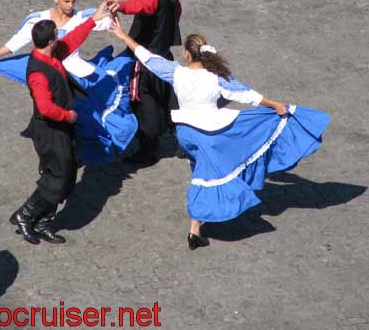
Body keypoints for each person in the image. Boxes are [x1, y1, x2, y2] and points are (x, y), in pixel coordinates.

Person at [109, 21, 330, 250]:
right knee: (211, 172)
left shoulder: (176, 72)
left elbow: (146, 57)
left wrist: (122, 34)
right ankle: (200, 218)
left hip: (185, 135)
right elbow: (247, 96)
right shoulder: (217, 78)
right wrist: (274, 105)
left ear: (186, 54)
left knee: (201, 169)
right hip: (210, 135)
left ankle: (196, 228)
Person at [0, 0, 137, 165]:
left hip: (76, 75)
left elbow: (99, 27)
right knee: (56, 107)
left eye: (73, 2)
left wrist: (112, 8)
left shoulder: (80, 19)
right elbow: (13, 45)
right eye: (66, 1)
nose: (70, 6)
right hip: (54, 73)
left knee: (88, 110)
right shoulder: (41, 23)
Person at [10, 4, 107, 245]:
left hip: (61, 130)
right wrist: (68, 116)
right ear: (51, 40)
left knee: (67, 173)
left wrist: (94, 19)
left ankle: (43, 222)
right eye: (57, 36)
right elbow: (45, 108)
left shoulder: (52, 55)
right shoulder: (38, 72)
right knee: (57, 177)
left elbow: (73, 40)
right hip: (50, 131)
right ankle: (25, 215)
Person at [106, 0, 186, 163]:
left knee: (143, 101)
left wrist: (120, 6)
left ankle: (148, 147)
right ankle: (181, 136)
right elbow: (175, 14)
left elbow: (141, 5)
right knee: (168, 98)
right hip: (163, 54)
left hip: (146, 59)